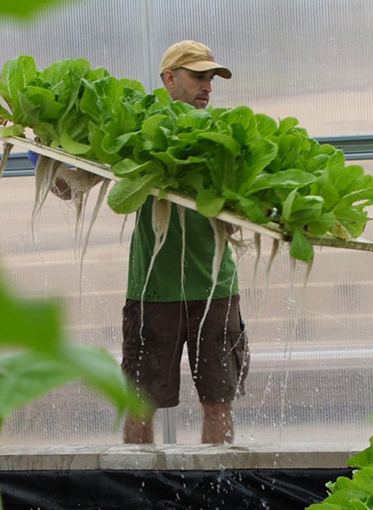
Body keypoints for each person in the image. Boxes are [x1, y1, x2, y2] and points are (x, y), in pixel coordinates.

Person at [120, 40, 249, 445]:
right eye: (198, 76)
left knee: (219, 400)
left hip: (216, 287)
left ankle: (214, 497)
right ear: (169, 78)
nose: (207, 86)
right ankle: (139, 499)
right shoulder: (138, 132)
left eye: (211, 78)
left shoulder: (225, 134)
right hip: (153, 289)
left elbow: (247, 211)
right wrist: (46, 157)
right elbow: (77, 187)